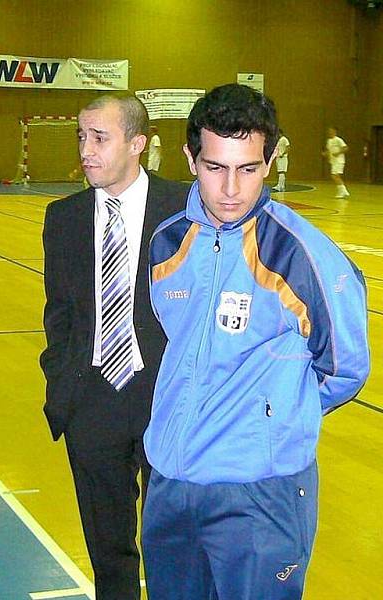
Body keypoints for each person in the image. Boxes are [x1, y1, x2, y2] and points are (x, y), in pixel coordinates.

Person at [142, 83, 370, 600]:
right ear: (189, 158)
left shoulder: (300, 254)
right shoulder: (168, 241)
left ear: (269, 161)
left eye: (248, 168)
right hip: (170, 484)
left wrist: (268, 419)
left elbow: (345, 369)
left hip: (260, 494)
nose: (229, 188)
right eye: (214, 167)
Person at [39, 95, 188, 599]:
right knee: (109, 550)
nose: (86, 150)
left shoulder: (184, 209)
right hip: (93, 399)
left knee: (172, 538)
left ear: (138, 143)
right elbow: (58, 312)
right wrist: (63, 380)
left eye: (100, 138)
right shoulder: (63, 217)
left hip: (166, 397)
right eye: (82, 137)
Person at [323, 126, 349, 198]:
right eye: (329, 130)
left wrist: (338, 152)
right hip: (333, 161)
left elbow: (345, 148)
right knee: (335, 176)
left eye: (331, 130)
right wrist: (326, 154)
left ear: (335, 131)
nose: (329, 132)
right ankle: (342, 191)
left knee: (335, 175)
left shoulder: (338, 140)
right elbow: (328, 151)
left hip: (339, 160)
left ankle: (343, 191)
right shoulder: (329, 141)